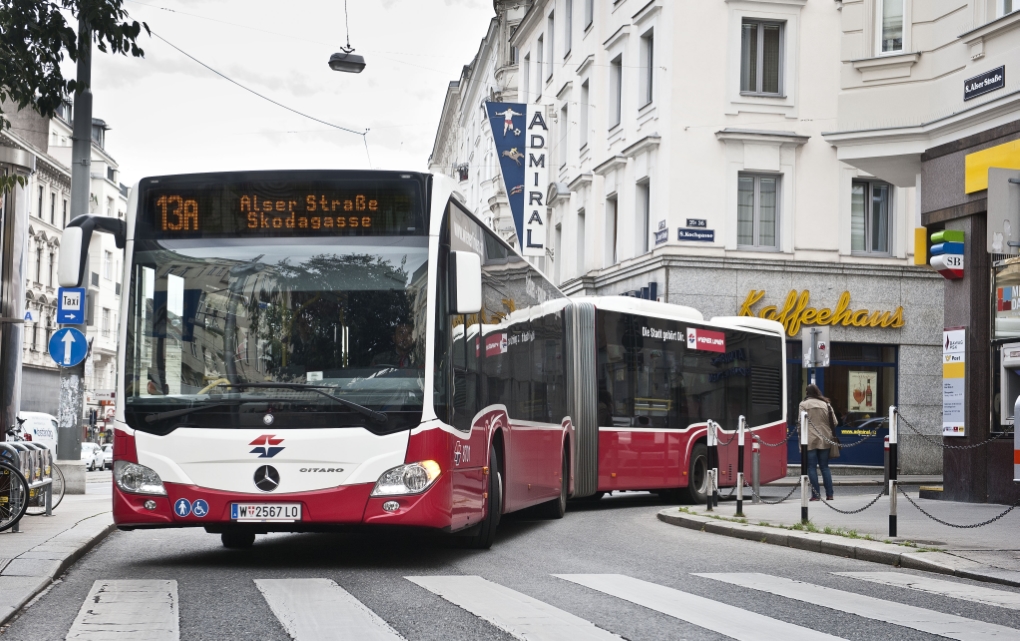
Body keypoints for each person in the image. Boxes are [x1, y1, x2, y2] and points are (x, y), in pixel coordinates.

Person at [798, 384, 838, 501]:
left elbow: (800, 423)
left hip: (809, 438)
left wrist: (801, 436)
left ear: (807, 393)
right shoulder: (826, 404)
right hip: (825, 438)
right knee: (824, 467)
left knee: (811, 467)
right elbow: (834, 422)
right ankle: (830, 494)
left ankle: (816, 495)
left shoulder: (803, 404)